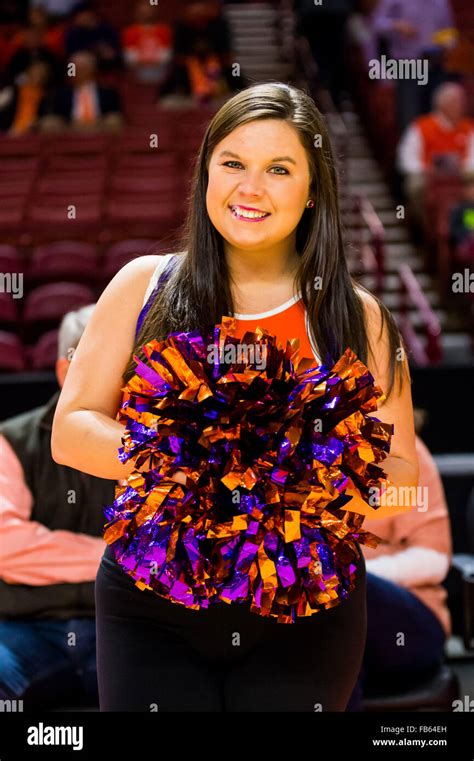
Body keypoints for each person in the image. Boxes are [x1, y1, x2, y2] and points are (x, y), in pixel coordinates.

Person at [51, 82, 419, 712]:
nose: (250, 188)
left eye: (279, 169)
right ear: (206, 175)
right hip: (151, 606)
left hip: (306, 613)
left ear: (311, 192)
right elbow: (72, 429)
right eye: (233, 164)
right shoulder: (143, 286)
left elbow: (403, 474)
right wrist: (201, 464)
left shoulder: (360, 319)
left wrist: (291, 483)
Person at [0, 305, 116, 708]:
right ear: (66, 372)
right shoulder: (10, 439)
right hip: (25, 629)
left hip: (128, 627)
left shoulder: (156, 439)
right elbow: (7, 549)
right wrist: (117, 559)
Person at [347, 427, 452, 710]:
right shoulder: (290, 454)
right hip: (330, 632)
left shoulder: (402, 451)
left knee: (343, 583)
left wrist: (354, 573)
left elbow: (433, 561)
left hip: (408, 623)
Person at [371, 0, 458, 131]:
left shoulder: (441, 2)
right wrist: (397, 25)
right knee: (409, 119)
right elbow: (376, 23)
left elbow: (449, 31)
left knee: (437, 121)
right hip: (408, 64)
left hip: (435, 65)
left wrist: (449, 41)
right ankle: (408, 150)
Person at [397, 82, 474, 217]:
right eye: (456, 101)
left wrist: (462, 168)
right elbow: (405, 159)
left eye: (462, 101)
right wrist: (426, 169)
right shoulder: (421, 126)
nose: (462, 105)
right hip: (428, 177)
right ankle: (422, 227)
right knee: (413, 185)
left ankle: (468, 228)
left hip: (461, 176)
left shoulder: (468, 127)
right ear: (442, 105)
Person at [40, 50, 122, 133]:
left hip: (99, 125)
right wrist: (73, 122)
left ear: (91, 69)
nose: (77, 72)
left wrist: (96, 122)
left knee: (114, 120)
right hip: (69, 126)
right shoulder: (61, 93)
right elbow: (57, 114)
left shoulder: (107, 92)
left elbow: (115, 113)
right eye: (74, 68)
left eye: (81, 68)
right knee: (49, 123)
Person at [122, 0, 173, 84]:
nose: (146, 11)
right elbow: (130, 59)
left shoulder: (164, 30)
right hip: (137, 72)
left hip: (160, 70)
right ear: (136, 11)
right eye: (143, 8)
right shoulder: (129, 32)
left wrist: (152, 63)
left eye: (149, 7)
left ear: (155, 10)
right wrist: (144, 64)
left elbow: (166, 57)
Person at [0, 60, 52, 134]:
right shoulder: (14, 90)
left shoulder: (46, 96)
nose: (38, 77)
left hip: (33, 134)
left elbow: (45, 116)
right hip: (10, 132)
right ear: (28, 73)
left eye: (41, 74)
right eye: (35, 73)